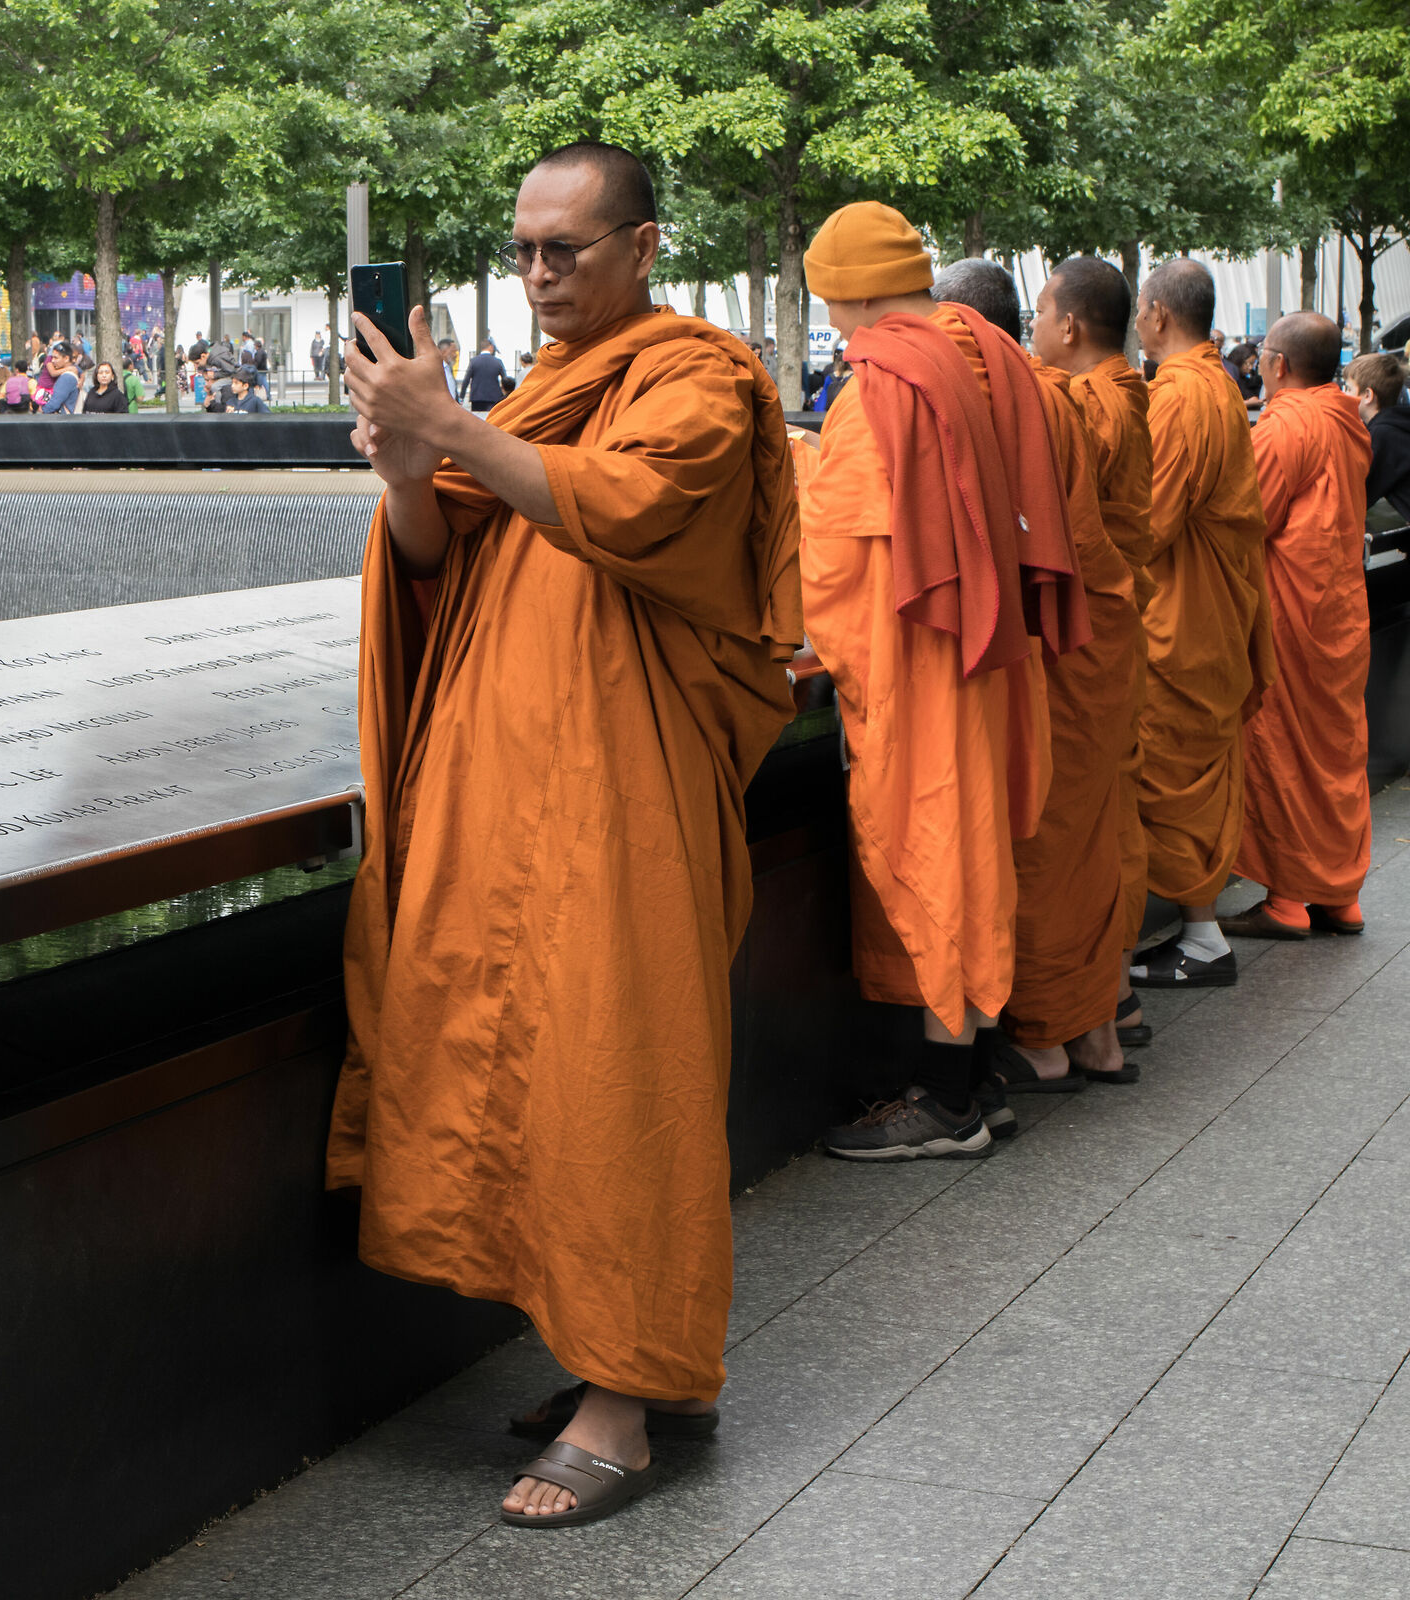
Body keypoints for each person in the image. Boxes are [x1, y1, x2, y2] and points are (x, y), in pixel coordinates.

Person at [335, 140, 801, 1530]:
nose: (538, 276)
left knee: (621, 1065)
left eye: (567, 252)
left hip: (627, 790)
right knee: (536, 1071)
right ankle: (619, 1362)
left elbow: (641, 508)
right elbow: (441, 558)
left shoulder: (698, 375)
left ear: (644, 248)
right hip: (509, 781)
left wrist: (462, 431)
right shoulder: (539, 389)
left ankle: (629, 1400)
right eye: (524, 250)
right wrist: (413, 466)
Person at [798, 203, 1089, 1163]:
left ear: (852, 289)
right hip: (994, 648)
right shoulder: (992, 354)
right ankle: (982, 1075)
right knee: (976, 851)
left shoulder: (881, 382)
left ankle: (950, 1100)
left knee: (935, 852)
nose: (837, 327)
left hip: (921, 655)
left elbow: (835, 557)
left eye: (834, 305)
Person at [933, 258, 1145, 1116]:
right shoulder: (1084, 397)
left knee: (1050, 837)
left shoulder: (1030, 399)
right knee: (1094, 832)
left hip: (1062, 643)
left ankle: (1048, 1039)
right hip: (1108, 632)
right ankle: (1099, 1026)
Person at [1126, 259, 1276, 989]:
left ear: (1155, 314)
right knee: (1193, 770)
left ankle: (1200, 938)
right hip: (1214, 609)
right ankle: (1202, 931)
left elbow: (1150, 521)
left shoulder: (1180, 395)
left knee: (1167, 770)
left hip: (1181, 614)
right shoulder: (1218, 383)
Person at [1030, 254, 1159, 1059]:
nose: (1035, 330)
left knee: (1065, 831)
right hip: (1116, 633)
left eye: (1039, 316)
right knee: (1104, 822)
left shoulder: (1082, 407)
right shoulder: (1128, 395)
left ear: (1068, 325)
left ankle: (1066, 1026)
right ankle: (1109, 1007)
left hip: (1080, 637)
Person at [1220, 314, 1376, 941]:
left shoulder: (1285, 424)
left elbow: (1247, 514)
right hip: (1341, 610)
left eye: (1262, 356)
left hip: (1293, 616)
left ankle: (1287, 900)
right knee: (1336, 752)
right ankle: (1341, 895)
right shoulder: (1346, 419)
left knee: (1287, 752)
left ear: (1278, 364)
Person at [1344, 352, 1410, 523]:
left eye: (1349, 389)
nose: (1344, 395)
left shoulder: (1383, 436)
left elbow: (1358, 495)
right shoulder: (1398, 423)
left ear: (1367, 395)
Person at [459, 338, 508, 412]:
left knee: (478, 420)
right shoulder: (498, 362)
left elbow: (466, 380)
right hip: (494, 397)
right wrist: (506, 396)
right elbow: (505, 380)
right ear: (491, 347)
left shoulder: (474, 361)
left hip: (476, 397)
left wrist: (461, 397)